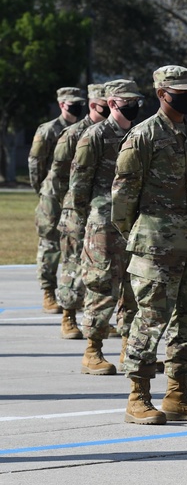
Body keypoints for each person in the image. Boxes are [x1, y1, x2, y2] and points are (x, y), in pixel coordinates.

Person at [112, 65, 187, 425]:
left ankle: (177, 394)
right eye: (181, 91)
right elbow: (123, 197)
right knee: (151, 319)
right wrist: (142, 239)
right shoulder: (143, 136)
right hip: (155, 245)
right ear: (162, 93)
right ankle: (137, 397)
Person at [67, 79, 142, 375]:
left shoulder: (139, 134)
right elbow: (78, 185)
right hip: (103, 223)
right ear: (112, 103)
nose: (133, 106)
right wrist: (82, 225)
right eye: (127, 101)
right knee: (101, 285)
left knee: (133, 287)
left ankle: (129, 349)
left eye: (136, 101)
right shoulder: (94, 135)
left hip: (134, 222)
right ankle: (92, 351)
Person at [38, 85, 108, 336]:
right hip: (72, 208)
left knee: (102, 268)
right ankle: (68, 315)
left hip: (101, 211)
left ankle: (98, 317)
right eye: (105, 105)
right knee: (72, 264)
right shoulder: (72, 134)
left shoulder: (116, 133)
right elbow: (55, 176)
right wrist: (57, 208)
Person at [30, 86, 85, 314]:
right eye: (72, 102)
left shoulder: (84, 129)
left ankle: (73, 293)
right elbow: (36, 164)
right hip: (53, 195)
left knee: (76, 244)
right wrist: (44, 190)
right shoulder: (48, 130)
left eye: (79, 102)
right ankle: (48, 292)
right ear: (62, 104)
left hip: (75, 195)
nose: (76, 106)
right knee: (50, 243)